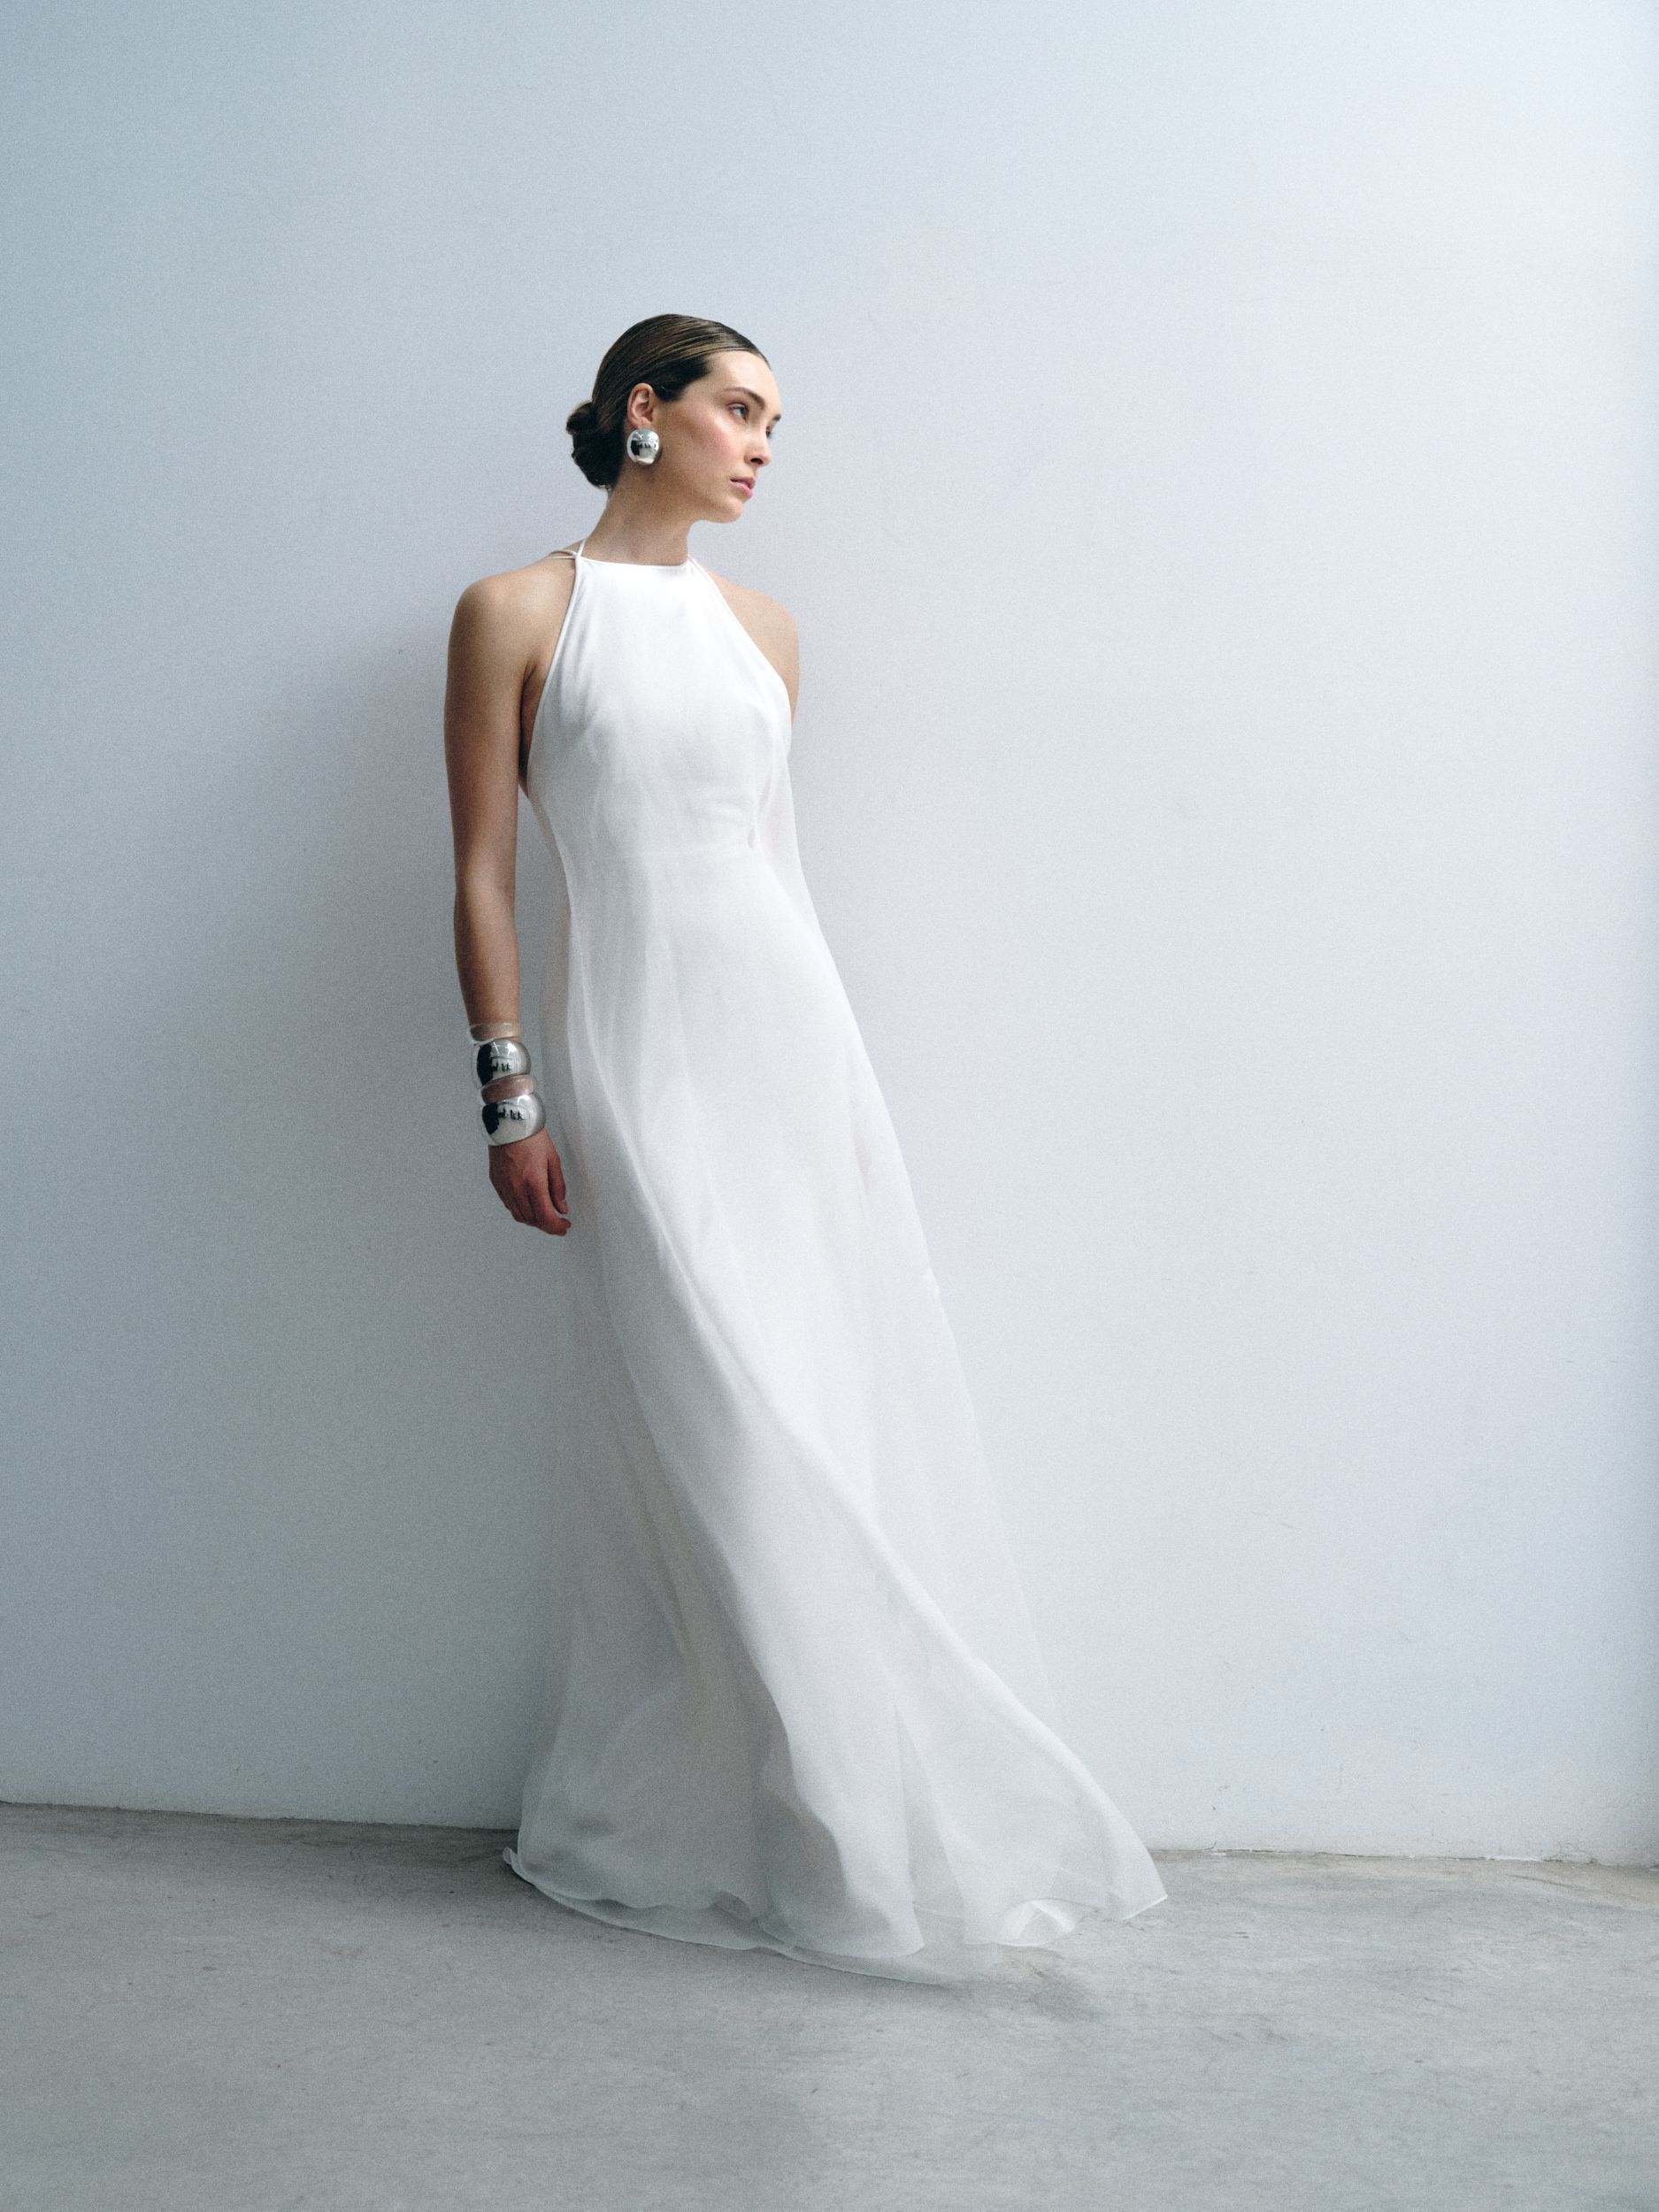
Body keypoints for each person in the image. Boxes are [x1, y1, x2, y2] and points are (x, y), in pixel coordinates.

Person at [442, 312, 1165, 1984]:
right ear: (649, 413)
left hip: (787, 1049)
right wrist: (511, 1090)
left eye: (775, 422)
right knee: (728, 1426)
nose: (763, 446)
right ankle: (814, 1828)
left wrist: (844, 1096)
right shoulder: (516, 612)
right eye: (740, 410)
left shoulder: (766, 631)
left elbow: (776, 874)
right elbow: (487, 869)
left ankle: (839, 1826)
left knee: (814, 1418)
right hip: (636, 1055)